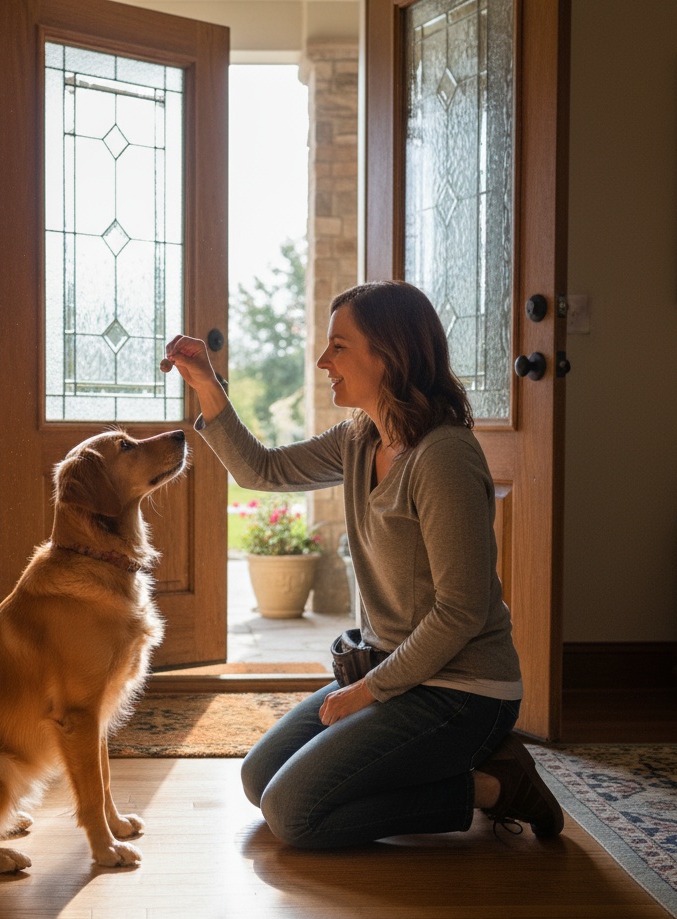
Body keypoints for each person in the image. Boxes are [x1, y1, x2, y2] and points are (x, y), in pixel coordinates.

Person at [162, 280, 564, 849]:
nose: (323, 360)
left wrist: (368, 691)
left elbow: (462, 610)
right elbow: (263, 471)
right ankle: (439, 768)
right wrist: (205, 381)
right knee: (258, 779)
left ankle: (495, 788)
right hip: (395, 675)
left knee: (293, 812)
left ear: (390, 354)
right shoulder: (360, 439)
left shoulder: (443, 457)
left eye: (339, 347)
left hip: (462, 690)